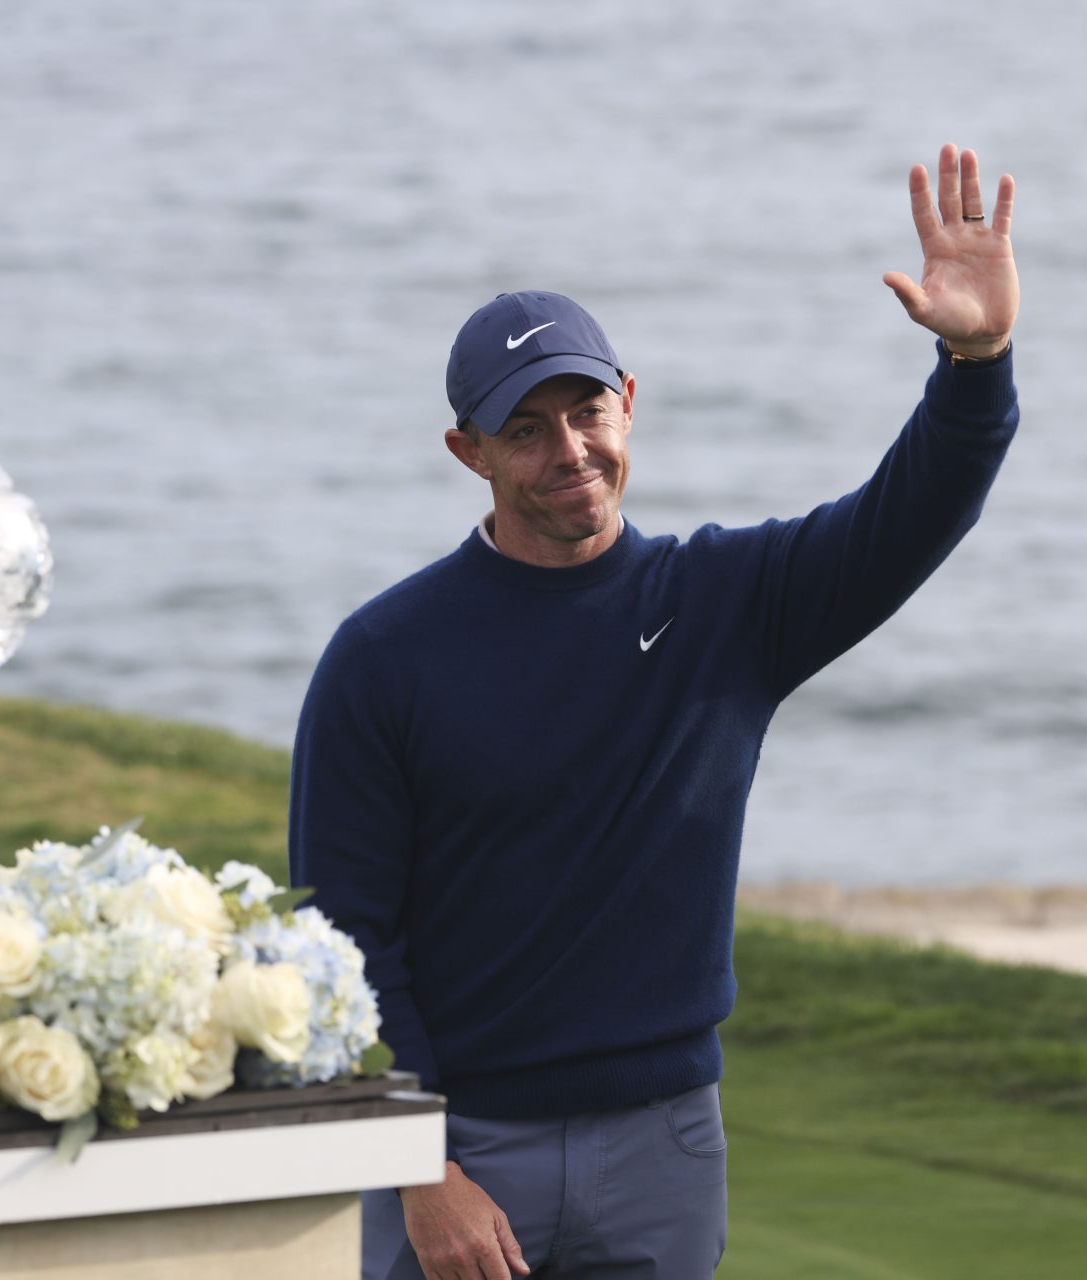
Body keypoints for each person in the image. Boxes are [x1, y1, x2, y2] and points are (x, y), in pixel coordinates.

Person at [290, 145, 1020, 1278]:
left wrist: (974, 359)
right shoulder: (384, 657)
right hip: (465, 1151)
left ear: (628, 404)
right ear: (467, 451)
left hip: (667, 1146)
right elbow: (343, 938)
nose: (568, 452)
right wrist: (417, 1165)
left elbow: (908, 515)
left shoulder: (729, 602)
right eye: (524, 430)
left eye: (585, 410)